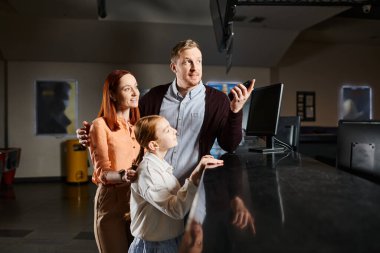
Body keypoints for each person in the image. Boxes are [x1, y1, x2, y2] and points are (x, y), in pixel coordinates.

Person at [77, 39, 254, 183]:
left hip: (193, 184)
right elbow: (124, 126)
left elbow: (229, 145)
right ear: (174, 67)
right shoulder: (154, 97)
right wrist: (93, 133)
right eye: (187, 62)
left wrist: (236, 112)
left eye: (199, 61)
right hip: (154, 184)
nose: (195, 67)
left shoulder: (218, 100)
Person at [128, 115, 224, 253]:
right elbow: (176, 209)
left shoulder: (159, 165)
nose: (175, 131)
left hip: (168, 241)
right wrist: (196, 174)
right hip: (153, 247)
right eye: (167, 130)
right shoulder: (148, 172)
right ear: (153, 145)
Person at [89, 69, 140, 253]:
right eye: (127, 89)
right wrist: (124, 175)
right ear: (112, 94)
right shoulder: (100, 125)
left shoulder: (138, 127)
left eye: (136, 87)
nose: (135, 93)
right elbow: (101, 172)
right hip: (111, 199)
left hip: (136, 198)